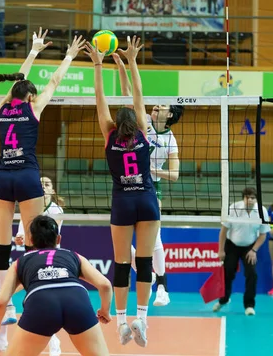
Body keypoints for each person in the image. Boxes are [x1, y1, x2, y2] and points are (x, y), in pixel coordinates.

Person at [0, 29, 85, 332]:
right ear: (30, 96)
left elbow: (17, 81)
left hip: (4, 178)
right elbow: (54, 81)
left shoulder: (3, 108)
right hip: (28, 177)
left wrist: (32, 51)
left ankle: (7, 303)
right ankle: (34, 298)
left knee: (2, 246)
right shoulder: (34, 107)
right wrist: (68, 55)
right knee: (35, 245)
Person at [85, 36, 160, 347]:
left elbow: (99, 98)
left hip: (123, 203)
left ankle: (120, 324)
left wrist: (99, 64)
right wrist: (132, 61)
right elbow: (139, 95)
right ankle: (141, 318)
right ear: (136, 121)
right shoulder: (143, 132)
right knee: (144, 262)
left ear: (116, 123)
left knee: (121, 264)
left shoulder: (109, 133)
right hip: (147, 199)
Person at [0, 215, 112, 356]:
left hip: (41, 304)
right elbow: (105, 285)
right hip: (76, 301)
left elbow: (1, 301)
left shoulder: (20, 262)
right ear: (58, 239)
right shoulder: (74, 256)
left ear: (31, 240)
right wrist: (105, 311)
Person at [115, 52, 183, 307]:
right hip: (129, 182)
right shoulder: (143, 124)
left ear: (170, 115)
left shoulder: (170, 140)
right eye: (157, 104)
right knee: (122, 239)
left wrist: (154, 172)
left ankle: (162, 287)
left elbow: (175, 174)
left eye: (163, 106)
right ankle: (150, 273)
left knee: (154, 239)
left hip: (153, 188)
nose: (157, 106)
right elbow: (126, 93)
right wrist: (122, 65)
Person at [0, 176, 65, 353]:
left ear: (52, 190)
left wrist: (27, 238)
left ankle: (54, 342)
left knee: (37, 301)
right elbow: (23, 236)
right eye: (41, 183)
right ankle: (2, 341)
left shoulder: (56, 211)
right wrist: (20, 238)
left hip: (49, 262)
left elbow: (45, 239)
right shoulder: (28, 209)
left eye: (48, 184)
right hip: (31, 262)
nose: (43, 186)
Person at [214, 187, 270, 316]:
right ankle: (224, 299)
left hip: (249, 247)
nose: (250, 200)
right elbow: (223, 231)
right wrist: (221, 250)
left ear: (256, 199)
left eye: (253, 198)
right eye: (247, 197)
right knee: (228, 274)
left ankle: (249, 305)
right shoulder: (234, 208)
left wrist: (254, 250)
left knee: (252, 274)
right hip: (232, 245)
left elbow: (263, 235)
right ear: (243, 198)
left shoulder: (262, 211)